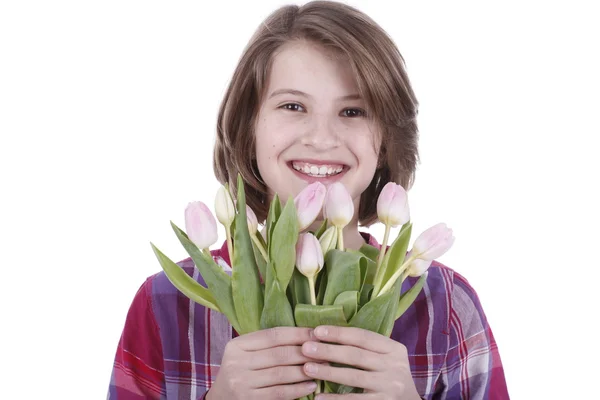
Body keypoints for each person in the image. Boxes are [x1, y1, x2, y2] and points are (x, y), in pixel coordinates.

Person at [108, 1, 509, 399]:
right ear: (249, 129)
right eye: (293, 106)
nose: (321, 138)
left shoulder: (447, 305)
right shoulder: (165, 305)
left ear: (386, 141)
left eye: (353, 111)